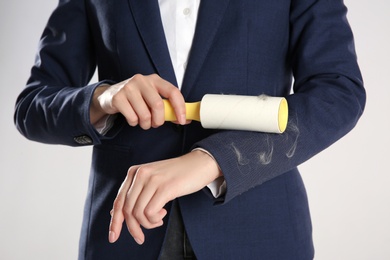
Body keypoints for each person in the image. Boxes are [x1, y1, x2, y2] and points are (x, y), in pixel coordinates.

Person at [14, 0, 366, 259]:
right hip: (124, 234)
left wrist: (214, 159)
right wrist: (103, 98)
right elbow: (32, 105)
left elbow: (338, 92)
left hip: (259, 230)